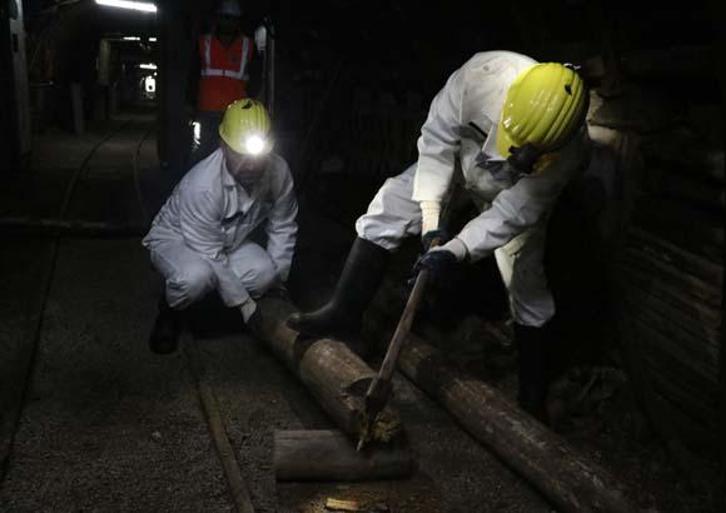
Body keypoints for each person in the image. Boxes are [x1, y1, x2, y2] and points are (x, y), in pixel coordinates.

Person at [288, 51, 590, 420]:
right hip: (460, 162)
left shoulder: (569, 151)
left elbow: (513, 213)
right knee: (388, 206)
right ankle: (343, 314)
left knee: (524, 277)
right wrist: (432, 223)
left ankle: (532, 399)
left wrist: (456, 250)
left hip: (509, 191)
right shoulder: (479, 77)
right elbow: (435, 145)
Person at [144, 99, 297, 354]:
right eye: (239, 153)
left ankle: (216, 304)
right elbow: (210, 255)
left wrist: (277, 284)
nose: (249, 164)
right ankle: (169, 310)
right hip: (177, 239)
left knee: (265, 275)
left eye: (256, 155)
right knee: (195, 278)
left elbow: (283, 225)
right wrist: (246, 307)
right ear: (222, 146)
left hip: (226, 240)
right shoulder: (203, 185)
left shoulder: (279, 173)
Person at [190, 0, 262, 162]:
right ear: (218, 18)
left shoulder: (248, 45)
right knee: (205, 153)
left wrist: (249, 103)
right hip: (207, 110)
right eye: (225, 17)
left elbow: (256, 78)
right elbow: (193, 76)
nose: (228, 22)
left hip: (237, 111)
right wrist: (191, 105)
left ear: (237, 21)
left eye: (232, 18)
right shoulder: (204, 43)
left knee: (236, 153)